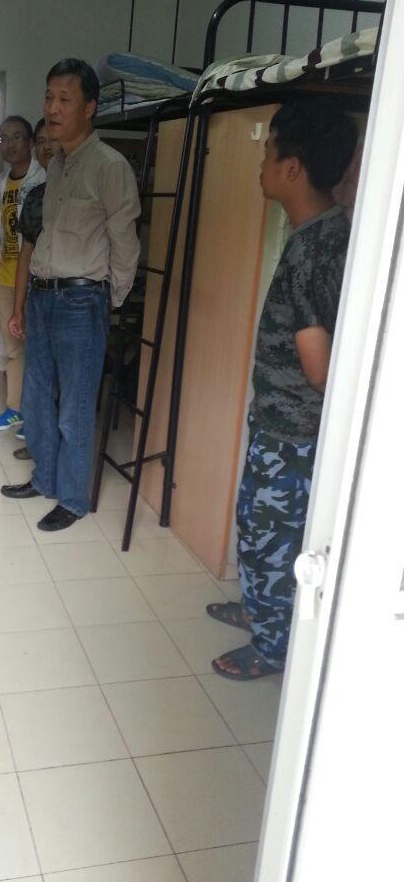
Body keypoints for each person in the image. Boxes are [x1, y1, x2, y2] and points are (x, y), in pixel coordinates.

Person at [207, 98, 358, 681]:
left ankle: (272, 646)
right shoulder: (321, 234)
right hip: (280, 422)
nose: (261, 162)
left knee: (269, 537)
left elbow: (319, 368)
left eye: (268, 151)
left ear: (292, 168)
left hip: (293, 432)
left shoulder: (314, 250)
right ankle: (258, 608)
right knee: (258, 527)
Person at [1, 59, 140, 531]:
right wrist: (27, 300)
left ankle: (74, 499)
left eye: (64, 99)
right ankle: (44, 479)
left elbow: (125, 244)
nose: (53, 108)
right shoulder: (57, 165)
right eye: (48, 97)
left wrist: (107, 300)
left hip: (81, 302)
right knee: (38, 401)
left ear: (89, 107)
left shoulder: (110, 166)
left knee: (75, 407)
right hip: (43, 297)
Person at [0, 115, 46, 432]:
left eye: (16, 137)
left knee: (38, 350)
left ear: (30, 142)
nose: (8, 144)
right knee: (13, 350)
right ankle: (16, 409)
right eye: (3, 138)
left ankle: (36, 414)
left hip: (37, 280)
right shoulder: (2, 181)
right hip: (6, 278)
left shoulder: (43, 179)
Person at [7, 118, 59, 459]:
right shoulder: (36, 196)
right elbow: (25, 253)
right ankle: (41, 444)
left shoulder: (83, 190)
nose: (46, 146)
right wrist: (19, 306)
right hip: (40, 296)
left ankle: (55, 450)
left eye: (52, 139)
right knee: (40, 374)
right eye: (40, 141)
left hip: (75, 298)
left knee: (64, 379)